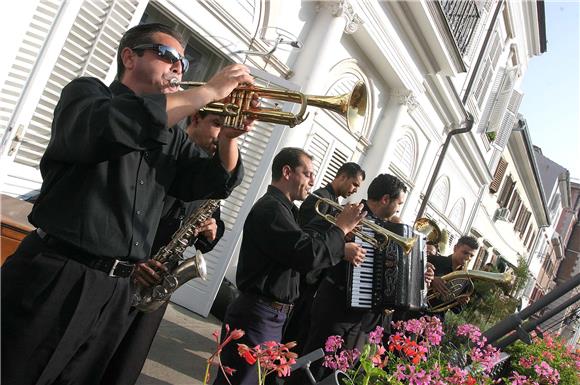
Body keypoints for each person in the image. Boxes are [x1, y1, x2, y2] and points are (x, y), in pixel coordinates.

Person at [1, 22, 254, 385]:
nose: (179, 68)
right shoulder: (88, 94)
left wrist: (229, 138)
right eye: (168, 56)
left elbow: (210, 182)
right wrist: (207, 92)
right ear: (130, 57)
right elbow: (113, 126)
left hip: (117, 292)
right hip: (59, 274)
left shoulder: (172, 135)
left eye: (183, 63)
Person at [213, 147, 366, 385]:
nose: (313, 180)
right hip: (258, 314)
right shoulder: (271, 209)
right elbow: (306, 255)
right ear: (287, 172)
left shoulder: (286, 209)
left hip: (272, 316)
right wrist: (340, 229)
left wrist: (339, 243)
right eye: (307, 174)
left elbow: (306, 245)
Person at [101, 110, 228, 385]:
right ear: (195, 119)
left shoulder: (213, 176)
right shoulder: (165, 156)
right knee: (98, 345)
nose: (222, 135)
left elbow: (213, 224)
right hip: (133, 262)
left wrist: (211, 231)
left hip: (163, 273)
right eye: (217, 124)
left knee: (129, 356)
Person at [289, 173, 433, 383]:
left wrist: (421, 275)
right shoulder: (347, 212)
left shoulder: (390, 229)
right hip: (336, 309)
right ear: (385, 199)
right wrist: (341, 246)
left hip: (365, 319)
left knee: (340, 374)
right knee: (313, 369)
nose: (398, 210)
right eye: (398, 204)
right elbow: (314, 245)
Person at [283, 162, 366, 355]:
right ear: (342, 176)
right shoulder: (321, 199)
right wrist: (341, 242)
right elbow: (311, 236)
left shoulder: (333, 202)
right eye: (354, 183)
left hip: (313, 279)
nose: (354, 190)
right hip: (303, 277)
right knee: (290, 333)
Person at [427, 235, 480, 317]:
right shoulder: (434, 260)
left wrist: (459, 301)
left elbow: (456, 310)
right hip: (416, 311)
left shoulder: (466, 279)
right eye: (465, 253)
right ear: (455, 248)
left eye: (471, 256)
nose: (467, 258)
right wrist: (432, 279)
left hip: (436, 319)